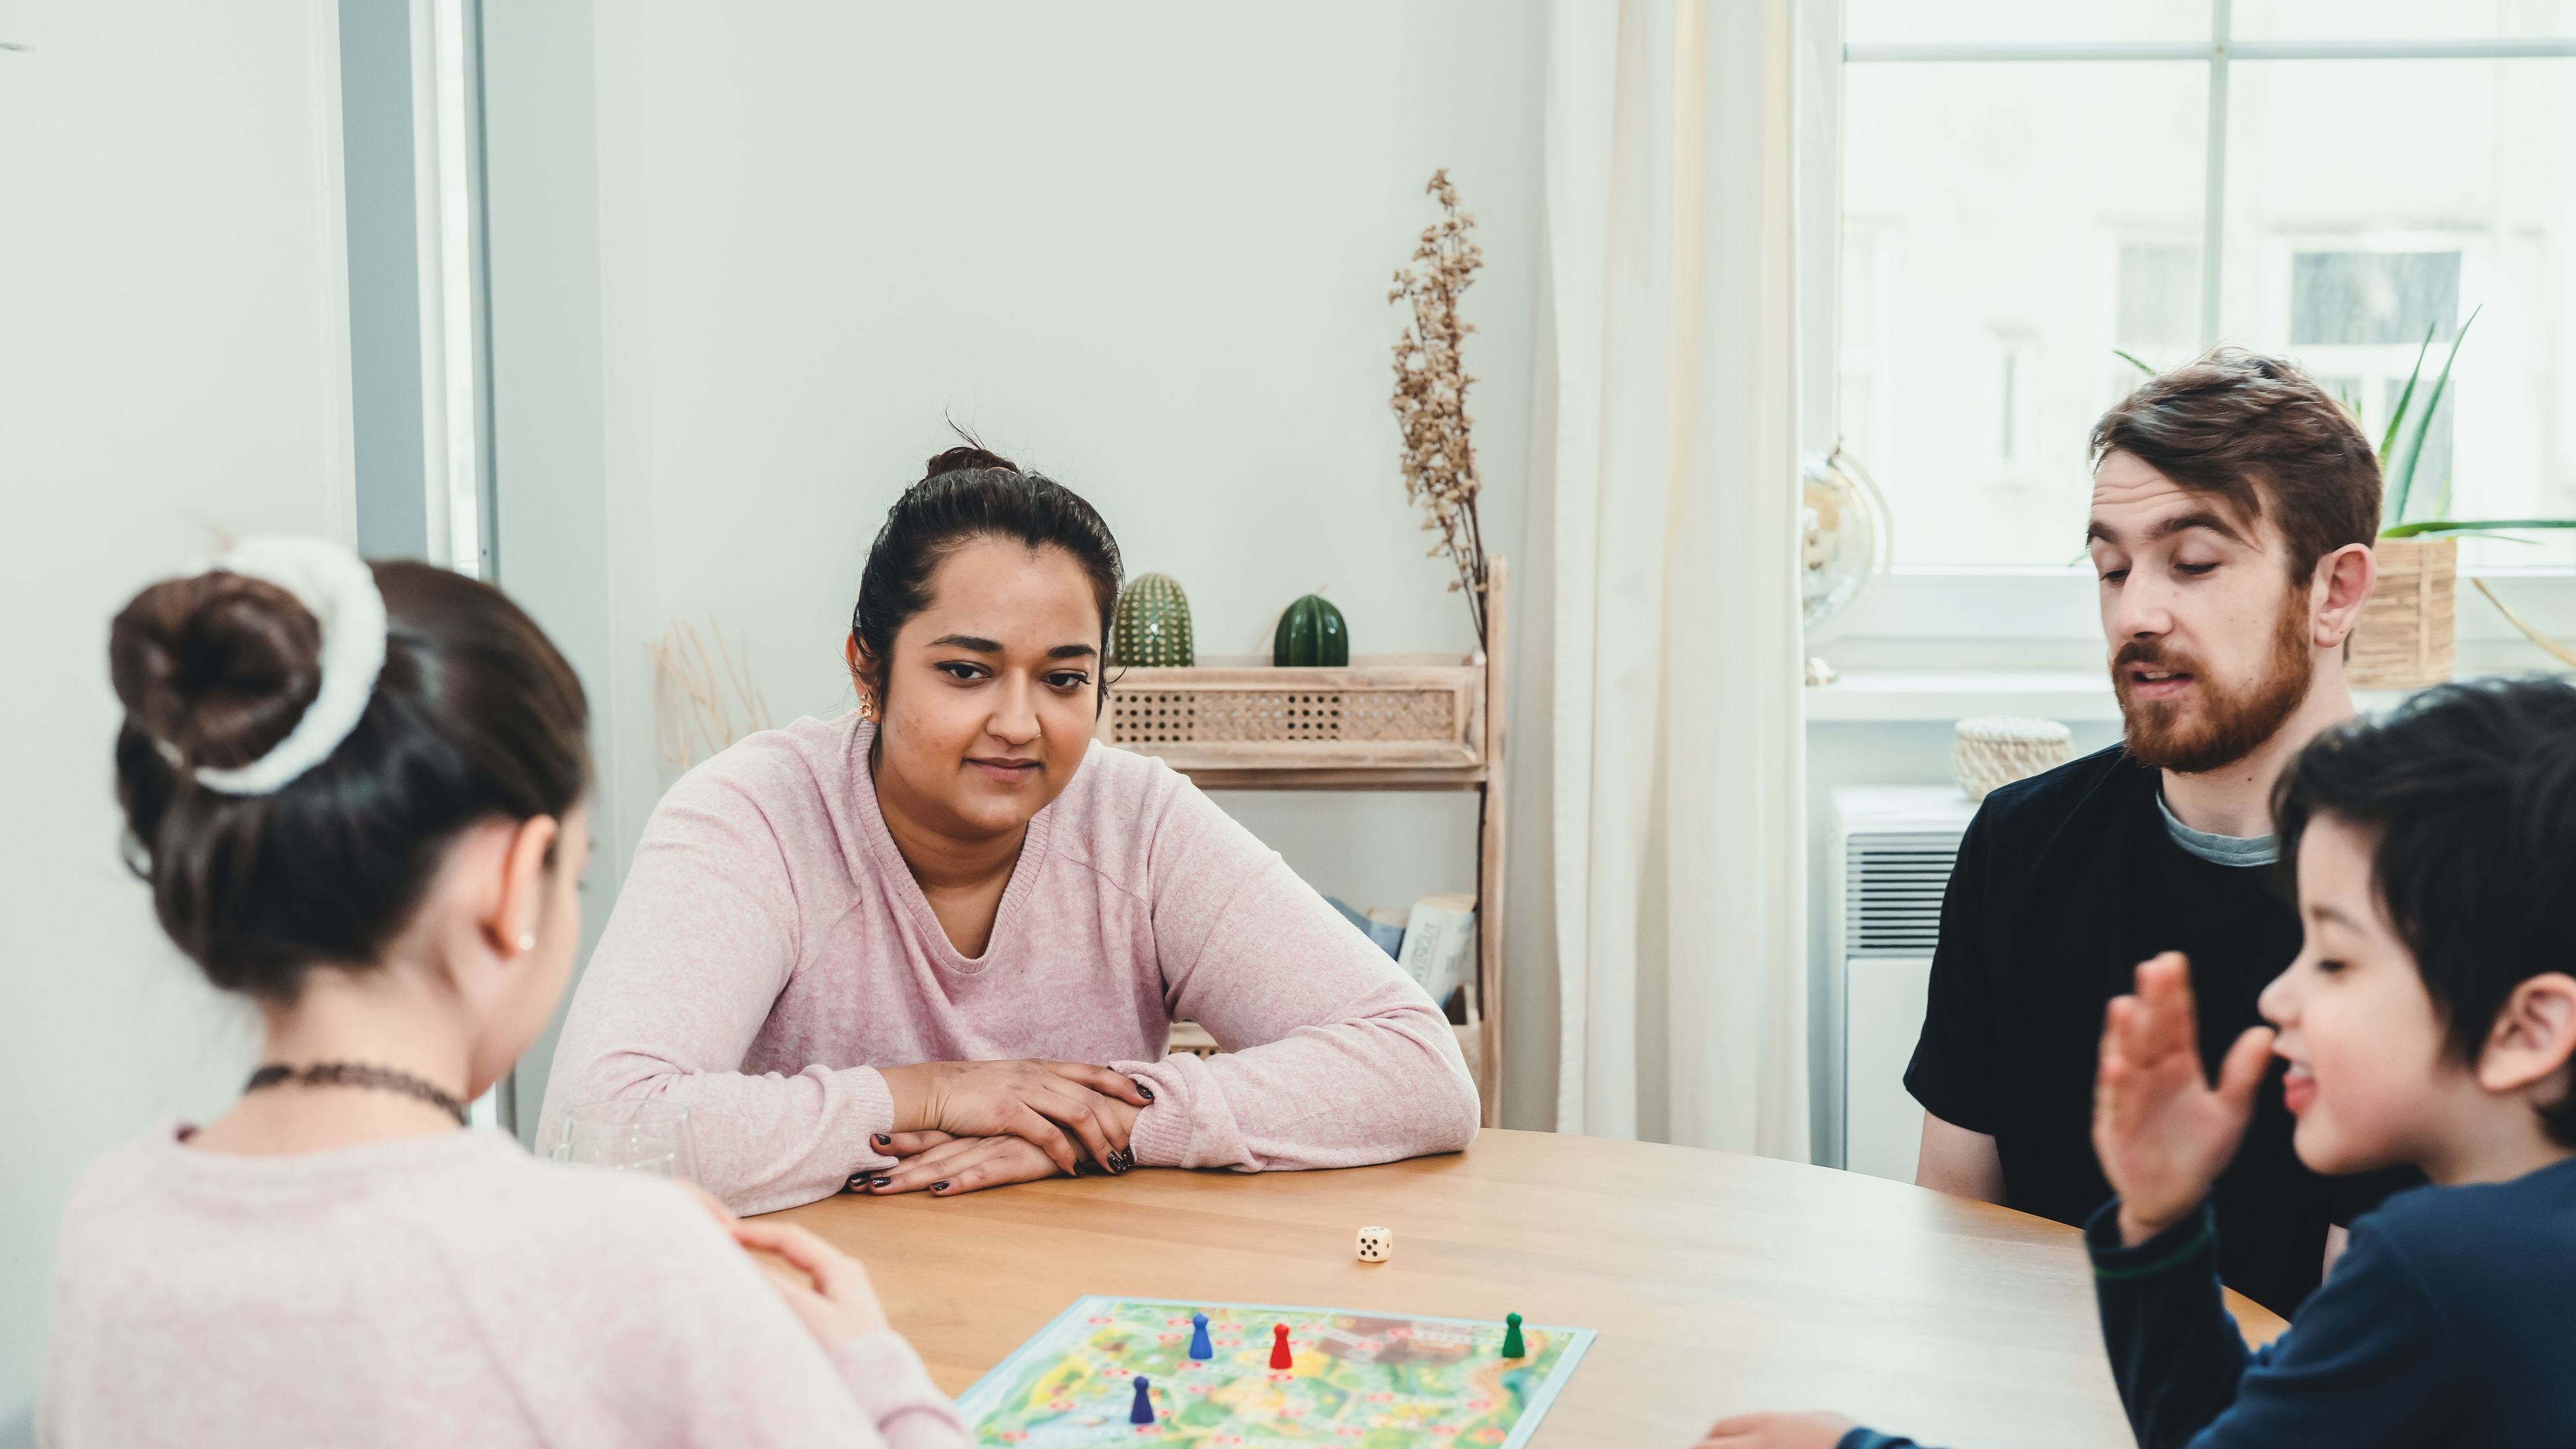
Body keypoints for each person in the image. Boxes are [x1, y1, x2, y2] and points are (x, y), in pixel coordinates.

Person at [42, 539, 964, 1448]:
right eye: (575, 873)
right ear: (513, 882)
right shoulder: (627, 1270)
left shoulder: (111, 1221)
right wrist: (869, 1366)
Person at [541, 445, 1480, 1214]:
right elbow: (600, 1130)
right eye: (966, 672)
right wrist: (937, 1093)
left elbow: (1418, 1068)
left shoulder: (1137, 820)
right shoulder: (752, 817)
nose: (1021, 722)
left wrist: (1096, 1122)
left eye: (1065, 678)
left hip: (1072, 1328)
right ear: (869, 671)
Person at [1688, 678, 2576, 1448]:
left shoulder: (2436, 1272)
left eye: (2335, 961)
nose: (2279, 998)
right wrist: (2161, 1217)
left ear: (2528, 1029)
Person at [1906, 349, 2415, 1318]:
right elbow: (1956, 1231)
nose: (2134, 612)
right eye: (2111, 567)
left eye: (2193, 563)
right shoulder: (2019, 846)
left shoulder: (2435, 889)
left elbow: (2365, 1365)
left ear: (2336, 592)